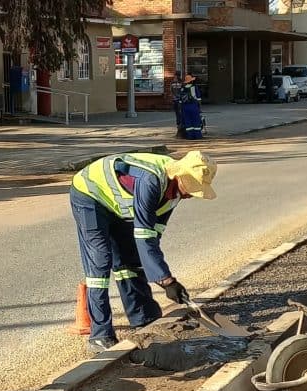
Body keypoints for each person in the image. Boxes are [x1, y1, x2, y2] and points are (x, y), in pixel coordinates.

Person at [70, 151, 217, 353]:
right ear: (179, 175)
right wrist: (167, 281)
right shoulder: (151, 180)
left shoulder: (176, 191)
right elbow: (143, 236)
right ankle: (100, 334)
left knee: (130, 259)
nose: (191, 195)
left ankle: (143, 318)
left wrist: (157, 271)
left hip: (117, 205)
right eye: (191, 188)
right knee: (100, 262)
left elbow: (152, 234)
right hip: (90, 195)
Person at [178, 74, 203, 140]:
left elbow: (180, 101)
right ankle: (197, 136)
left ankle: (190, 136)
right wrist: (199, 108)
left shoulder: (182, 88)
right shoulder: (194, 87)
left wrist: (181, 109)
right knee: (196, 121)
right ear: (191, 81)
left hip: (185, 107)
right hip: (193, 106)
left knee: (188, 122)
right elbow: (199, 99)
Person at [171, 71, 184, 138]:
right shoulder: (173, 82)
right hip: (176, 100)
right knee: (178, 114)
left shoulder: (181, 83)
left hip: (179, 100)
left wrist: (177, 97)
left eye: (175, 75)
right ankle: (179, 128)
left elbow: (181, 91)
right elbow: (172, 91)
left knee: (179, 114)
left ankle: (180, 129)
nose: (175, 77)